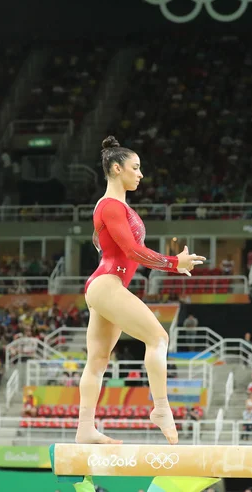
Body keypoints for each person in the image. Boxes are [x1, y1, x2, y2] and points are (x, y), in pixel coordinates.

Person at [76, 136, 206, 445]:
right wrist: (174, 262)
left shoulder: (116, 207)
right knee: (159, 337)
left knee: (97, 361)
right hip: (107, 283)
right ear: (117, 168)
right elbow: (133, 251)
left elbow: (126, 249)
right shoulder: (109, 206)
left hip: (104, 286)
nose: (140, 174)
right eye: (136, 168)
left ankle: (85, 428)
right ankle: (161, 408)